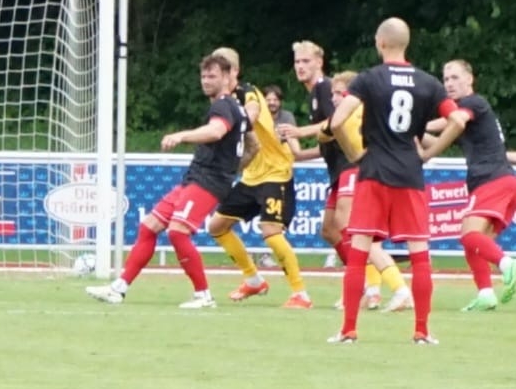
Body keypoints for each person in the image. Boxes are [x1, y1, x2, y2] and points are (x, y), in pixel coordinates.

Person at [325, 18, 452, 344]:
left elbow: (337, 121)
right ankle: (422, 331)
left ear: (380, 43)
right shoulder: (428, 82)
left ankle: (349, 329)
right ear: (406, 44)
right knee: (420, 254)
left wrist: (355, 154)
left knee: (359, 251)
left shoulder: (369, 79)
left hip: (374, 172)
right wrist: (430, 152)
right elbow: (457, 120)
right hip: (410, 173)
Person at [86, 52, 247, 309]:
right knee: (149, 226)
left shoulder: (223, 105)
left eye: (212, 76)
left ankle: (203, 295)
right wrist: (234, 167)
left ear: (228, 77)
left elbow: (216, 131)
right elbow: (253, 144)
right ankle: (119, 288)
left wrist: (181, 136)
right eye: (203, 76)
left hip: (208, 181)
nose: (206, 81)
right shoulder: (238, 108)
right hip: (196, 178)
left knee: (177, 232)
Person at [281, 49, 409, 310]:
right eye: (296, 61)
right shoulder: (324, 97)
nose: (334, 98)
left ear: (319, 62)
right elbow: (327, 137)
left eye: (305, 60)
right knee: (331, 229)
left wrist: (299, 131)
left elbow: (331, 127)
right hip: (343, 170)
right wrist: (299, 148)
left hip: (355, 169)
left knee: (354, 229)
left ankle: (380, 288)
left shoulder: (337, 99)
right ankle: (367, 285)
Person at [207, 51, 311, 309]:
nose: (212, 78)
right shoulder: (223, 99)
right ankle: (253, 280)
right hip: (252, 175)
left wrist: (236, 123)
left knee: (271, 232)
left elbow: (252, 111)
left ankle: (300, 293)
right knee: (216, 226)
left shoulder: (247, 92)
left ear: (232, 71)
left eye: (218, 72)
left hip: (275, 171)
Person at [419, 59, 516, 312]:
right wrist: (411, 132)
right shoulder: (466, 114)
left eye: (455, 77)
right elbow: (438, 136)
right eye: (446, 79)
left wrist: (417, 129)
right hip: (502, 181)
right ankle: (486, 294)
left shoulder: (473, 103)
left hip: (491, 180)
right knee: (474, 243)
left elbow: (453, 122)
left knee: (469, 235)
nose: (449, 84)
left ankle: (508, 264)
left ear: (470, 79)